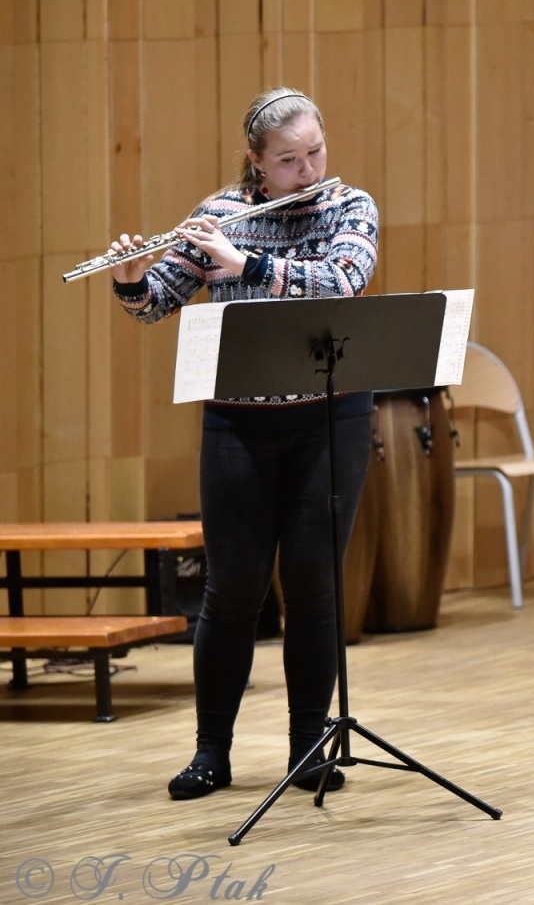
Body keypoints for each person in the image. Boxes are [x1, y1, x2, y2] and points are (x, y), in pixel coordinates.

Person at [107, 88, 380, 800]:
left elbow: (343, 281)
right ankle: (210, 754)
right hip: (237, 424)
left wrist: (248, 266)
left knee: (315, 590)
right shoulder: (222, 214)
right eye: (289, 160)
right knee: (231, 593)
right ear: (257, 164)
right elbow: (155, 304)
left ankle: (307, 750)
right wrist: (132, 278)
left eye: (315, 151)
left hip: (331, 419)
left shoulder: (349, 207)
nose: (308, 169)